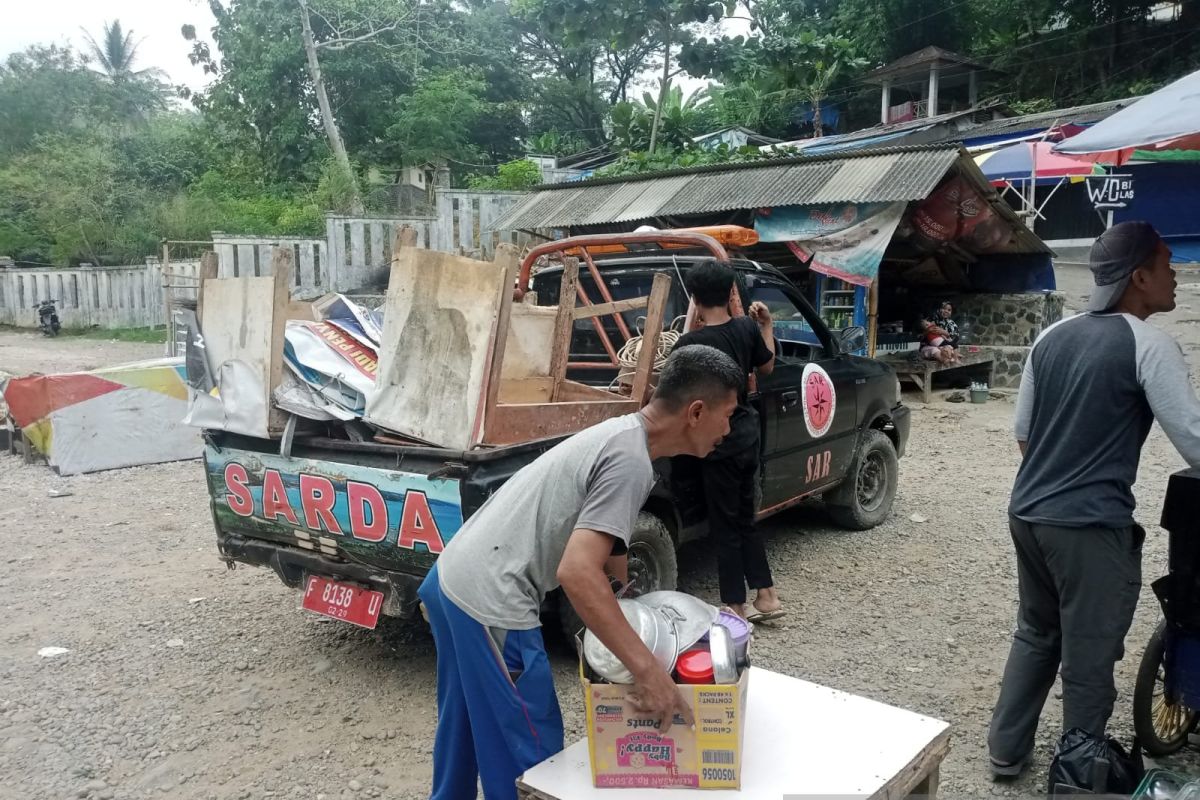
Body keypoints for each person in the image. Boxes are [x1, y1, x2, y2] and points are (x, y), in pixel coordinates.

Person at [418, 344, 744, 800]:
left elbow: (603, 539)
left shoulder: (623, 436)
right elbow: (576, 572)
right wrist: (648, 672)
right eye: (727, 414)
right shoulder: (630, 460)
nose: (728, 429)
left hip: (450, 578)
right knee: (531, 753)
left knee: (466, 721)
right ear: (695, 412)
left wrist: (623, 590)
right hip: (490, 598)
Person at [988, 221, 1200, 779]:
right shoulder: (1149, 343)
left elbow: (1024, 434)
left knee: (1036, 632)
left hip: (1027, 512)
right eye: (1165, 262)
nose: (1174, 273)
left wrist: (1057, 476)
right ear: (1138, 276)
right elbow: (1195, 441)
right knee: (1089, 649)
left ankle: (1006, 753)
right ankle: (1079, 774)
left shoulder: (1052, 336)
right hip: (1086, 526)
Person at [672, 261, 782, 623]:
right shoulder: (747, 328)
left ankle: (735, 605)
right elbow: (766, 368)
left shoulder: (690, 344)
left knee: (724, 525)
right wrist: (767, 325)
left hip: (719, 440)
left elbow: (674, 392)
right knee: (745, 518)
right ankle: (766, 596)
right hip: (748, 434)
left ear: (695, 298)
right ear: (730, 292)